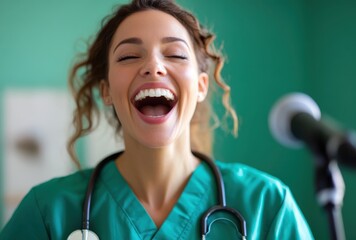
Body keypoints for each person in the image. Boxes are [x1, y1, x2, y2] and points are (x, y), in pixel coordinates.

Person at [0, 0, 314, 239]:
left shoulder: (267, 205)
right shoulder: (47, 213)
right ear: (106, 90)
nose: (153, 66)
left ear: (201, 86)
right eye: (128, 56)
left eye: (175, 55)